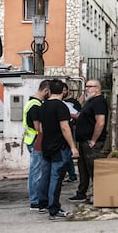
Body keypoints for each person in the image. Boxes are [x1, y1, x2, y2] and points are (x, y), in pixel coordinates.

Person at [38, 79, 79, 220]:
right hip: (59, 147)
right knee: (56, 178)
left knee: (46, 175)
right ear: (63, 90)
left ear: (49, 90)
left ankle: (42, 204)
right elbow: (65, 127)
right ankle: (54, 209)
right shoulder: (61, 107)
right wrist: (73, 146)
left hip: (46, 146)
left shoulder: (43, 106)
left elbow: (41, 128)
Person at [69, 79, 109, 204]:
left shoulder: (99, 102)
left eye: (90, 86)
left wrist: (93, 140)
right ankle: (82, 193)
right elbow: (82, 116)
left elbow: (100, 122)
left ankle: (97, 195)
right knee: (83, 169)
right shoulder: (90, 102)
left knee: (93, 169)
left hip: (91, 142)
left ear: (97, 89)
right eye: (86, 86)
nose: (86, 89)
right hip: (83, 141)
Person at [22, 79, 50, 211]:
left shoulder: (30, 102)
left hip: (31, 140)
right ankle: (35, 201)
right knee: (37, 172)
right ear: (46, 91)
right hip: (36, 141)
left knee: (36, 170)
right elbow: (38, 128)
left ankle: (36, 199)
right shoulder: (36, 106)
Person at [62, 82, 82, 183]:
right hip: (64, 130)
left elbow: (79, 115)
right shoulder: (60, 102)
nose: (63, 92)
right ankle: (70, 174)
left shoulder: (72, 102)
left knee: (68, 153)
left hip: (71, 129)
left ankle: (71, 174)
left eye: (65, 90)